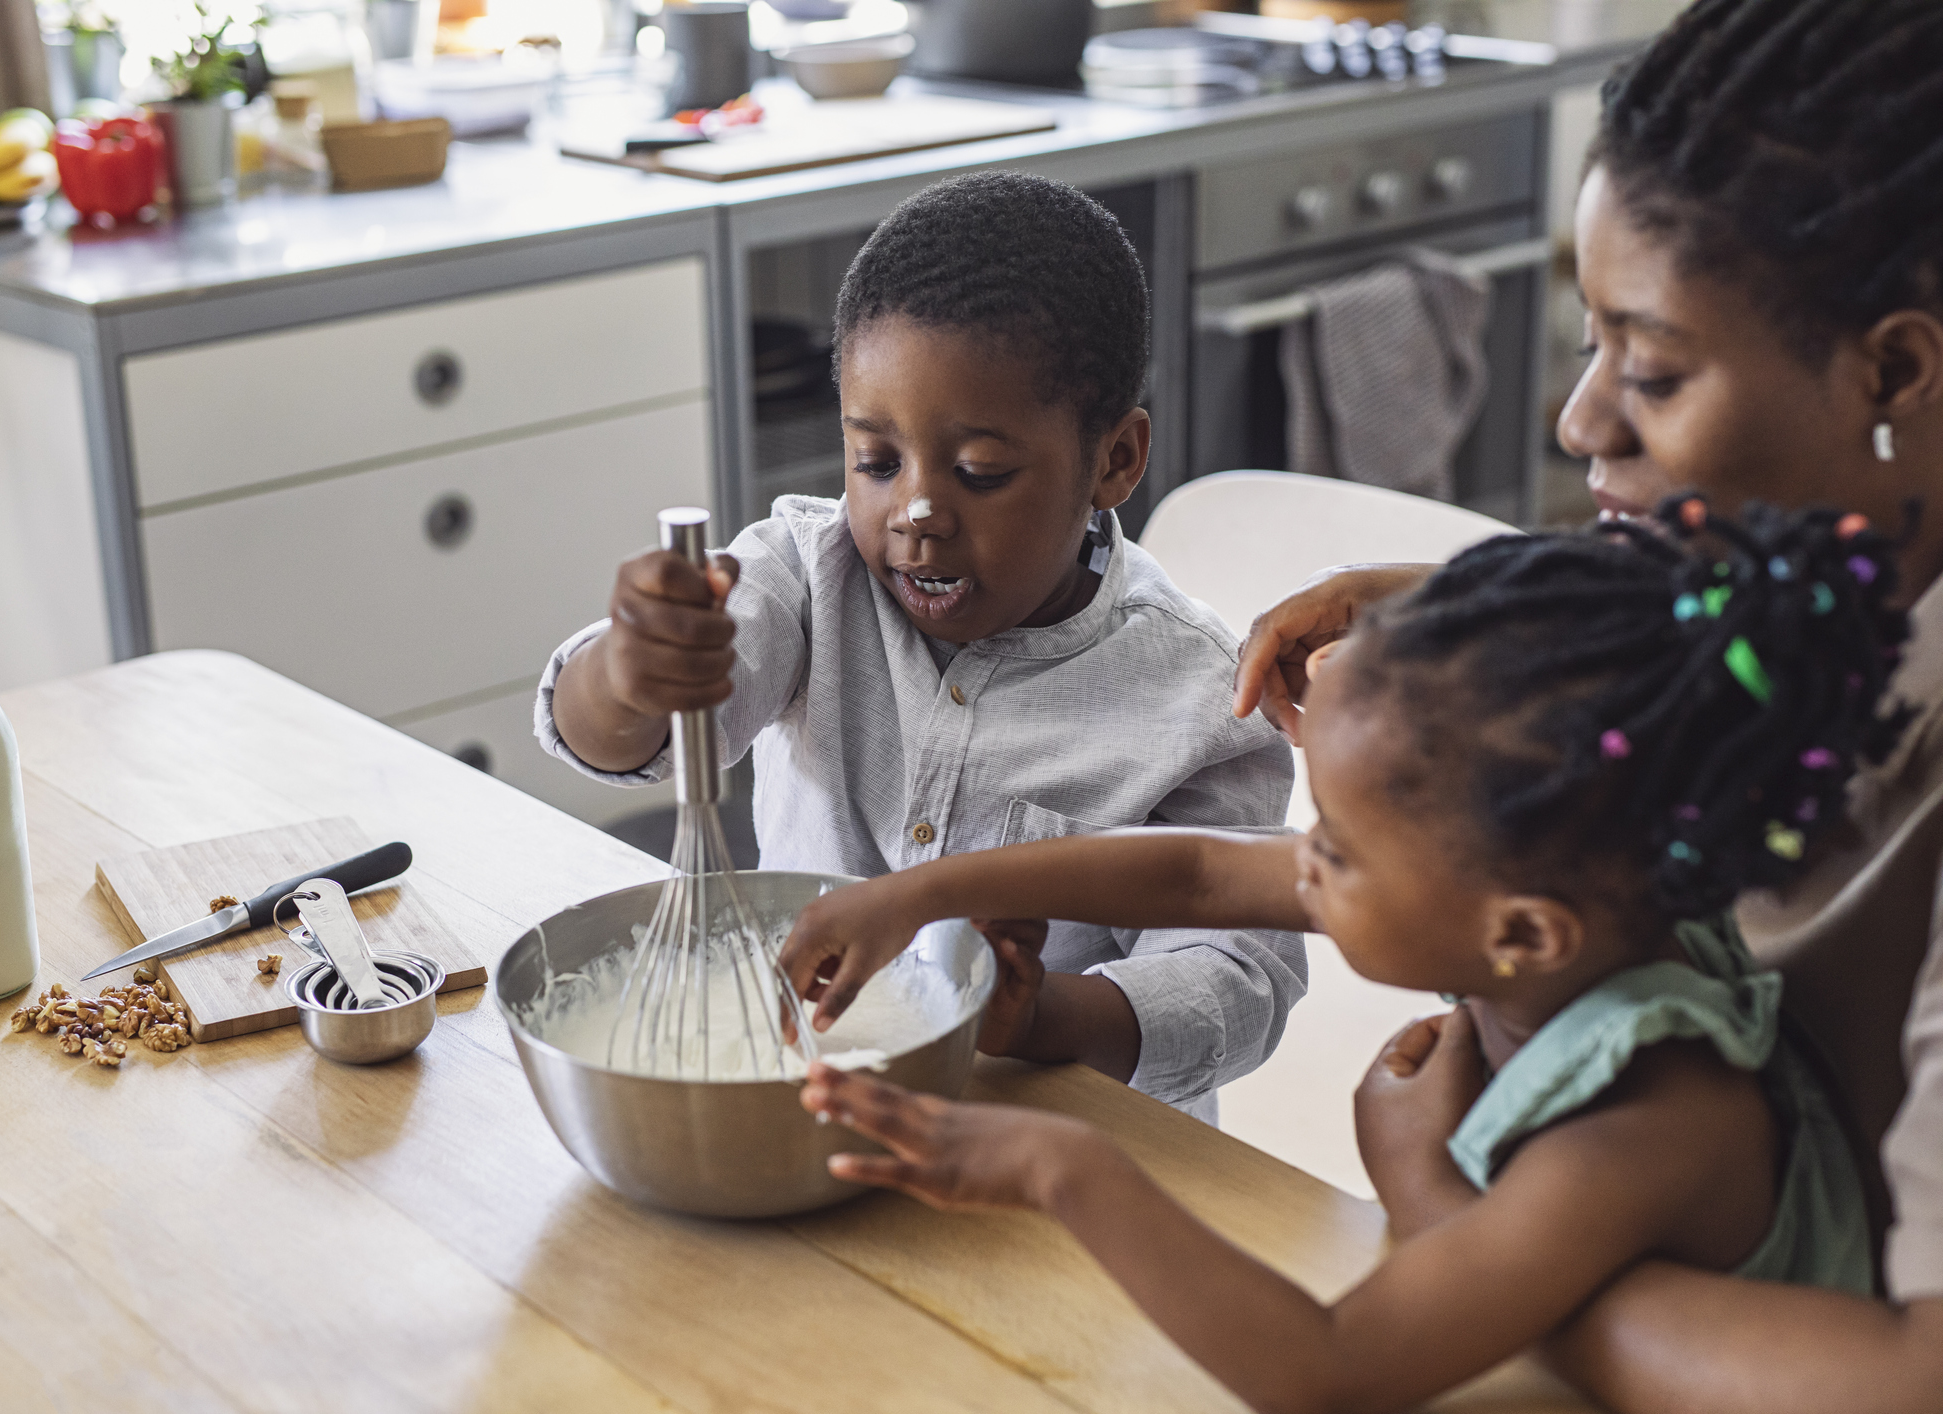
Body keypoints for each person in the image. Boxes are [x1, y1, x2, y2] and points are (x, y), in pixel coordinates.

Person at [788, 502, 1901, 1414]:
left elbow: (1331, 1365)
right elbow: (1198, 875)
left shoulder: (1644, 1120)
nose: (1297, 862)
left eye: (1338, 849)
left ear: (1520, 932)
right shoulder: (1577, 905)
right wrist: (923, 891)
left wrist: (1062, 1170)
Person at [1226, 2, 1943, 1406]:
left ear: (1896, 370)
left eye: (1655, 369)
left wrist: (1465, 1240)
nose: (1580, 424)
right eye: (1588, 342)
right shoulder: (1769, 623)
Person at [536, 171, 1300, 1120]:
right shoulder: (800, 576)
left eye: (979, 472)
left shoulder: (1199, 697)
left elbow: (1243, 974)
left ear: (1114, 461)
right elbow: (619, 738)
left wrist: (1045, 1017)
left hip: (1058, 1146)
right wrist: (629, 668)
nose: (916, 514)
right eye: (876, 462)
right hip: (806, 1101)